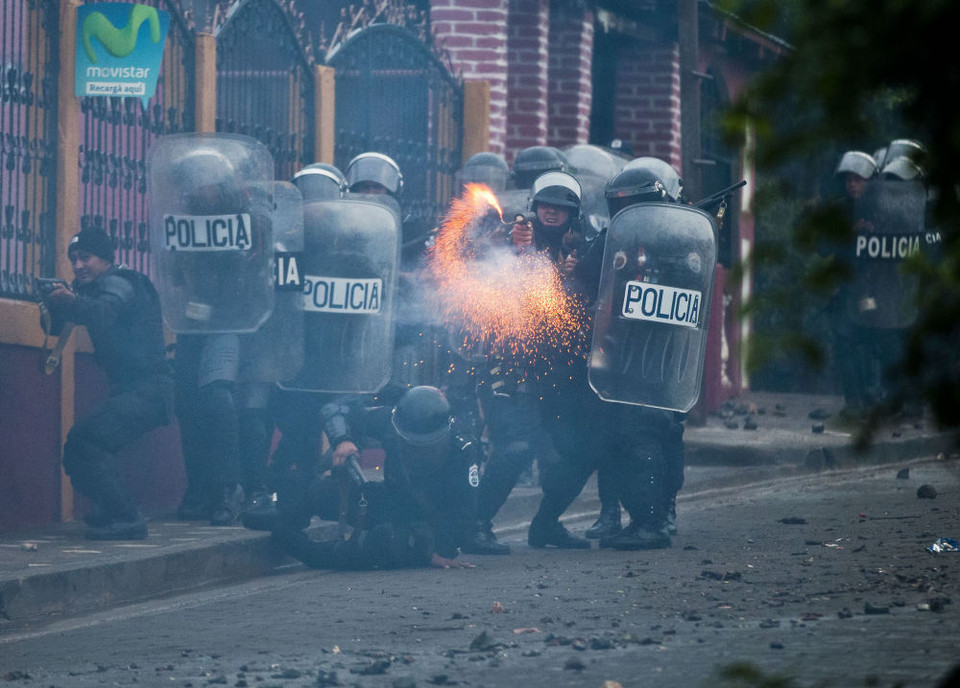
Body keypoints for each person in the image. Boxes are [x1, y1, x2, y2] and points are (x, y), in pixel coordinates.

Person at [40, 227, 172, 540]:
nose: (77, 265)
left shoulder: (122, 282)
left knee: (88, 441)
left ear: (105, 259)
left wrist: (70, 300)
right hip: (131, 391)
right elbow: (61, 325)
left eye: (85, 257)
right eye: (73, 259)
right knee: (77, 448)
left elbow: (104, 313)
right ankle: (108, 506)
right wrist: (52, 304)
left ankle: (126, 517)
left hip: (149, 391)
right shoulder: (91, 289)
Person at [272, 386, 477, 570]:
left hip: (427, 525)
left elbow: (464, 509)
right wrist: (343, 439)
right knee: (319, 492)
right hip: (394, 502)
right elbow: (335, 409)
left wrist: (439, 549)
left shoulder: (463, 448)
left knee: (379, 542)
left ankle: (308, 552)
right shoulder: (389, 419)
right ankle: (281, 527)